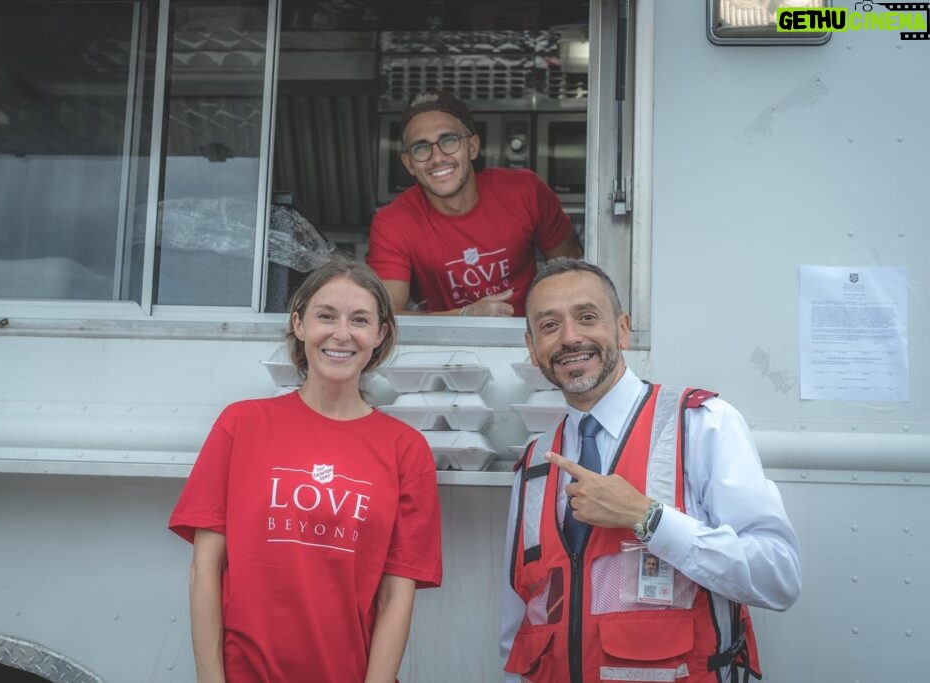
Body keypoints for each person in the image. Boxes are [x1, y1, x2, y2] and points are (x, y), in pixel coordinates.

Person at [500, 258, 801, 683]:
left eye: (587, 317)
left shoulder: (701, 423)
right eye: (550, 326)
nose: (570, 337)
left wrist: (648, 517)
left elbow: (779, 576)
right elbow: (519, 626)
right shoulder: (533, 464)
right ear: (533, 348)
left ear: (622, 329)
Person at [169, 254, 443, 683]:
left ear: (379, 334)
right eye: (326, 316)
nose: (341, 334)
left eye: (359, 320)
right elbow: (205, 569)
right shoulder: (241, 424)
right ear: (300, 325)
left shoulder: (406, 449)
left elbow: (396, 595)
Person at [366, 90, 583, 318]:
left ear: (472, 147)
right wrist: (465, 315)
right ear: (409, 164)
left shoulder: (525, 190)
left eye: (448, 140)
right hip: (445, 346)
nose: (437, 157)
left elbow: (573, 271)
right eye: (421, 148)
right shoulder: (392, 222)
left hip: (532, 338)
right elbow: (386, 316)